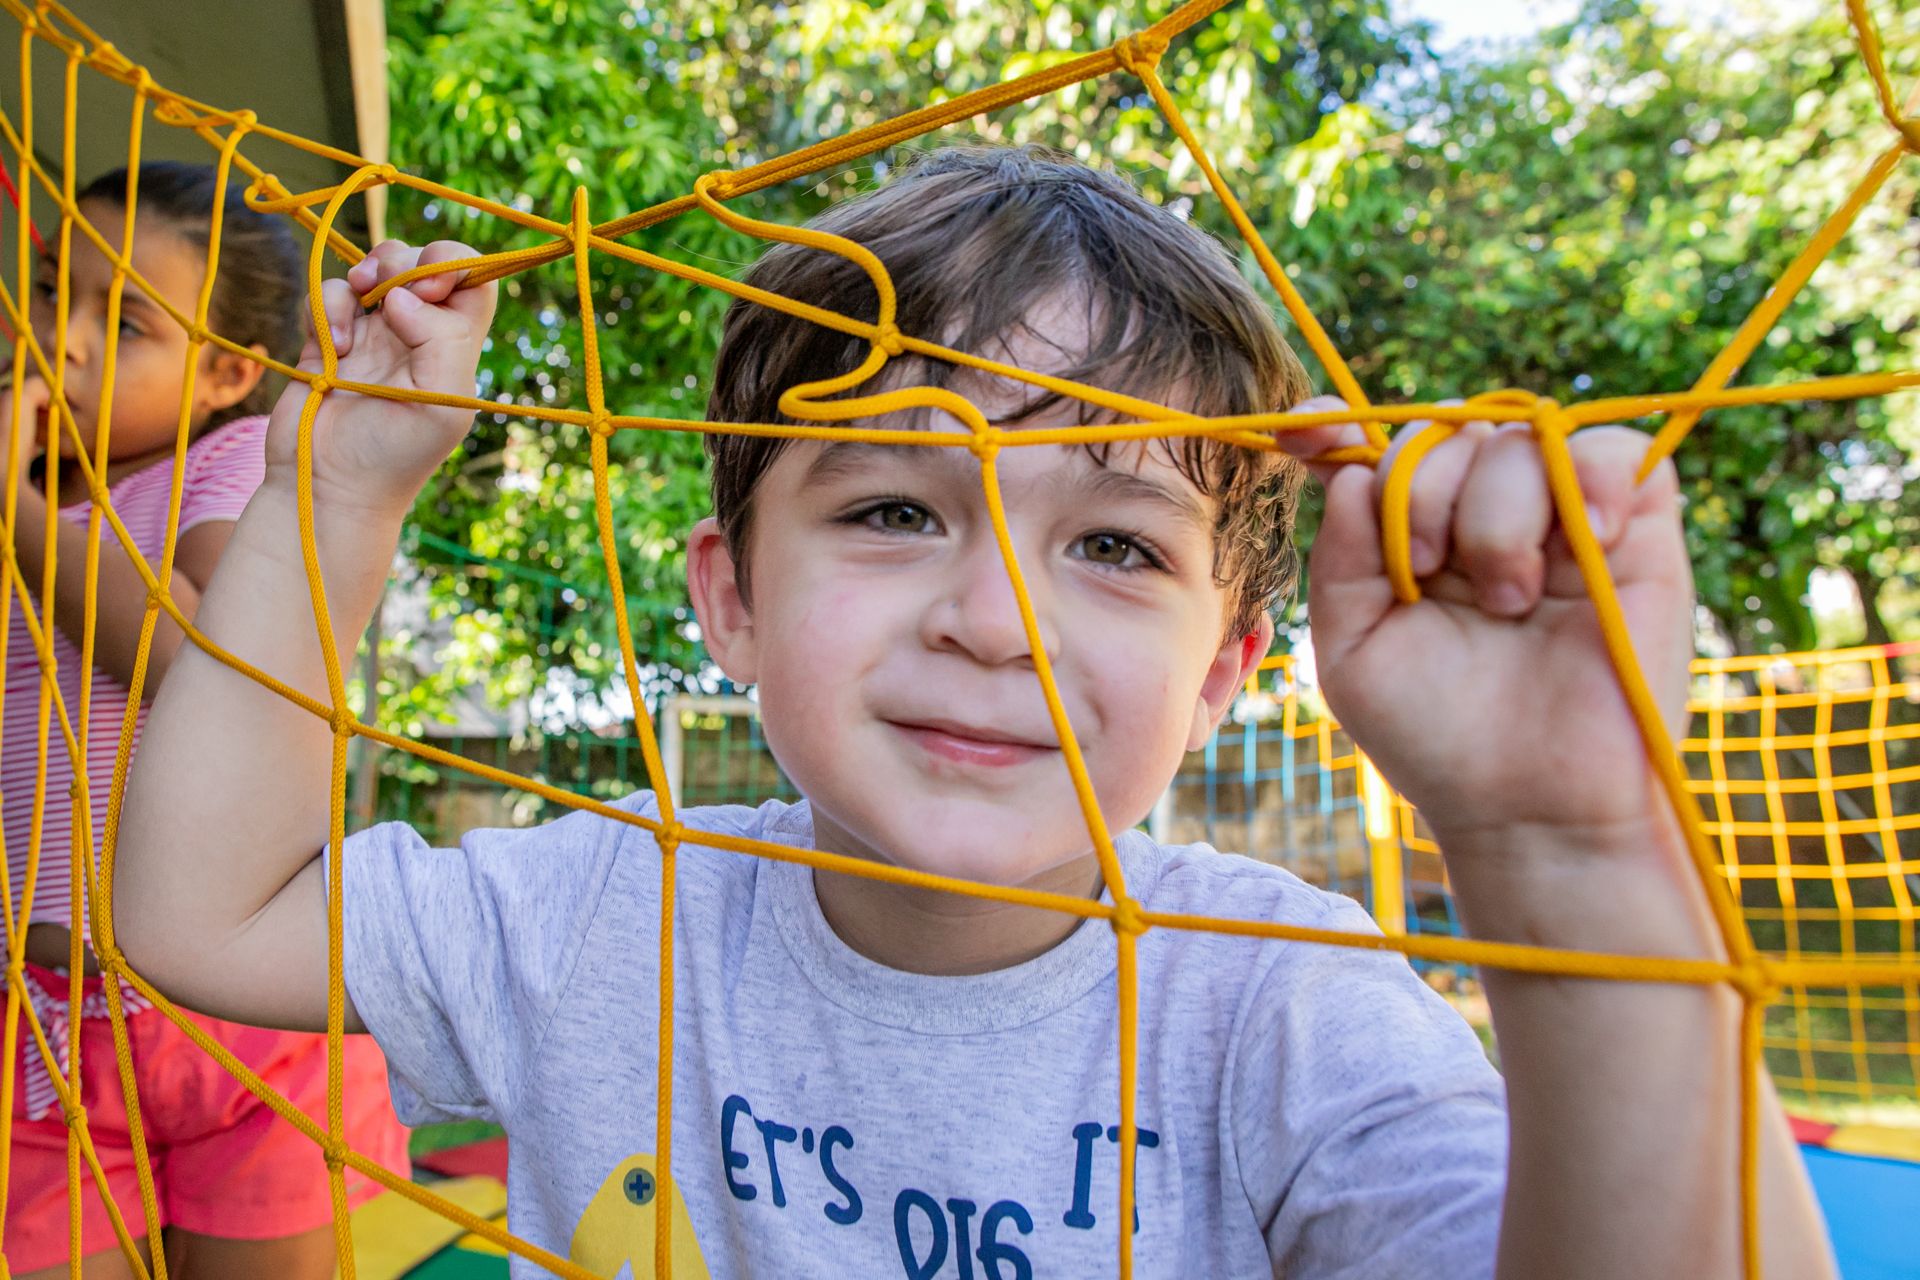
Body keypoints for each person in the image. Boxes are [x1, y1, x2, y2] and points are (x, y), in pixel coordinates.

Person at [115, 146, 1833, 1277]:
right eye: (891, 511)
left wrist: (1572, 849)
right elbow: (201, 914)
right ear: (729, 596)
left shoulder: (1287, 1013)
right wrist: (333, 493)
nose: (996, 620)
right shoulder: (601, 919)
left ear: (1230, 664)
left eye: (1112, 544)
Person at [3, 162, 408, 1280]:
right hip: (38, 1029)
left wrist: (23, 518)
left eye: (120, 319)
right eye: (46, 289)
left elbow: (200, 661)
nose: (61, 338)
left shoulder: (225, 468)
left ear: (226, 371)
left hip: (236, 1023)